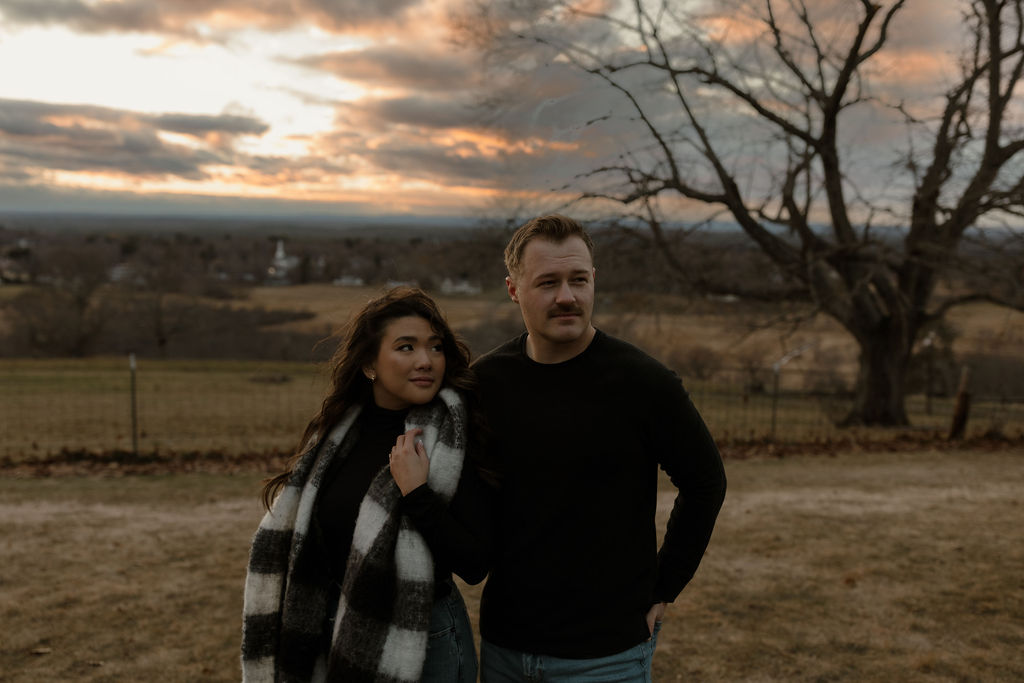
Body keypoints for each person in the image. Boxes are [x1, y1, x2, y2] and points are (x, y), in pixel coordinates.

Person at [472, 214, 727, 682]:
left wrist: (665, 586)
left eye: (578, 280)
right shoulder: (486, 383)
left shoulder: (644, 383)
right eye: (548, 282)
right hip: (505, 646)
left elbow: (705, 482)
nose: (566, 296)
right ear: (514, 290)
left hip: (607, 655)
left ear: (594, 283)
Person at [242, 287, 492, 683]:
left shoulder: (450, 441)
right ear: (369, 364)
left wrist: (417, 493)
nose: (426, 360)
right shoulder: (337, 435)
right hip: (336, 627)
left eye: (435, 347)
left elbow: (476, 564)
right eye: (406, 347)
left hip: (424, 639)